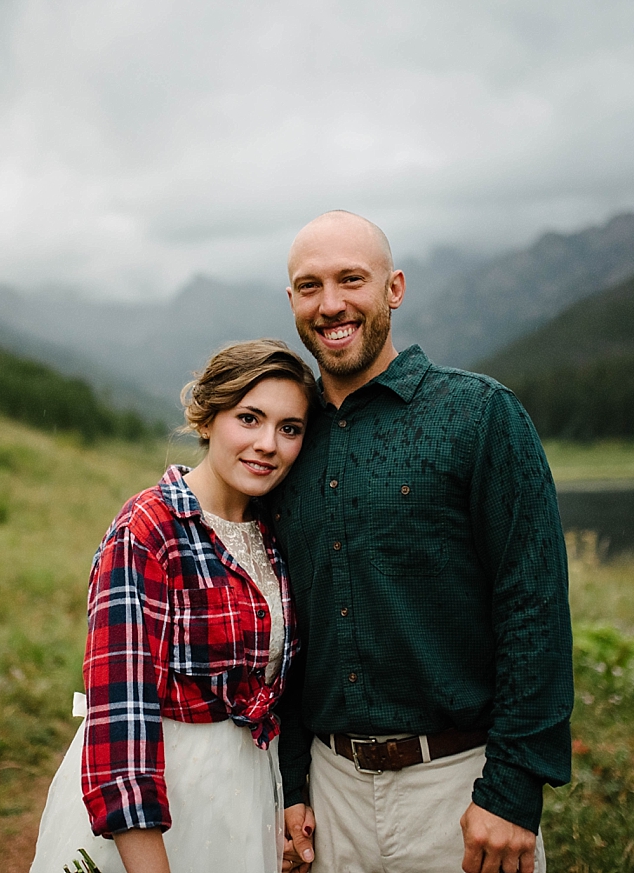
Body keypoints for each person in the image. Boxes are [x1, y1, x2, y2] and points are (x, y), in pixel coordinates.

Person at [270, 211, 573, 873]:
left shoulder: (480, 415)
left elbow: (533, 605)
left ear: (394, 288)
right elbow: (288, 629)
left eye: (352, 279)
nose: (332, 304)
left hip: (458, 790)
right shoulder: (285, 441)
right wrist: (292, 785)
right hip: (329, 794)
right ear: (292, 300)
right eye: (310, 286)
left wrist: (513, 790)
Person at [29, 339, 319, 873]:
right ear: (208, 417)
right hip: (157, 809)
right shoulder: (149, 530)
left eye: (290, 428)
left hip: (245, 794)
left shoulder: (276, 533)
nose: (268, 444)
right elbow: (120, 717)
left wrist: (281, 798)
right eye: (249, 418)